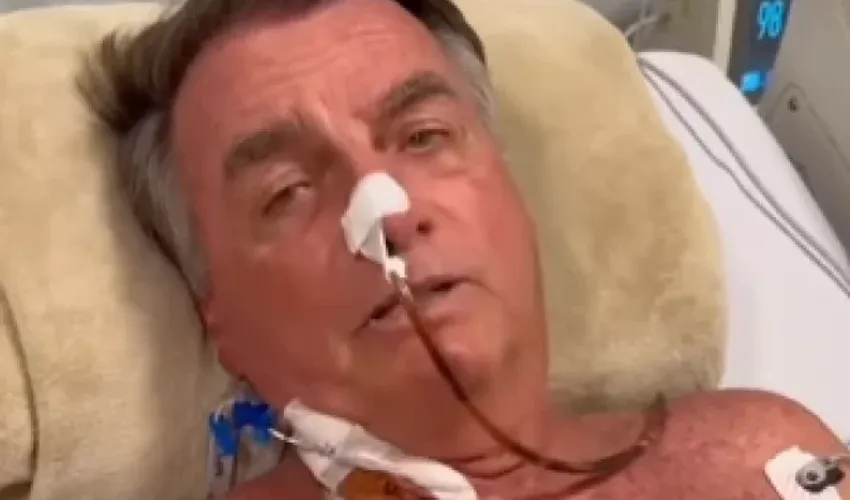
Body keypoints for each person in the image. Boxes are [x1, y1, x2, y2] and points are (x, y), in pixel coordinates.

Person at [80, 0, 850, 498]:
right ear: (220, 322)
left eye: (423, 137)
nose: (385, 211)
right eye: (287, 192)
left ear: (511, 196)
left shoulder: (758, 456)